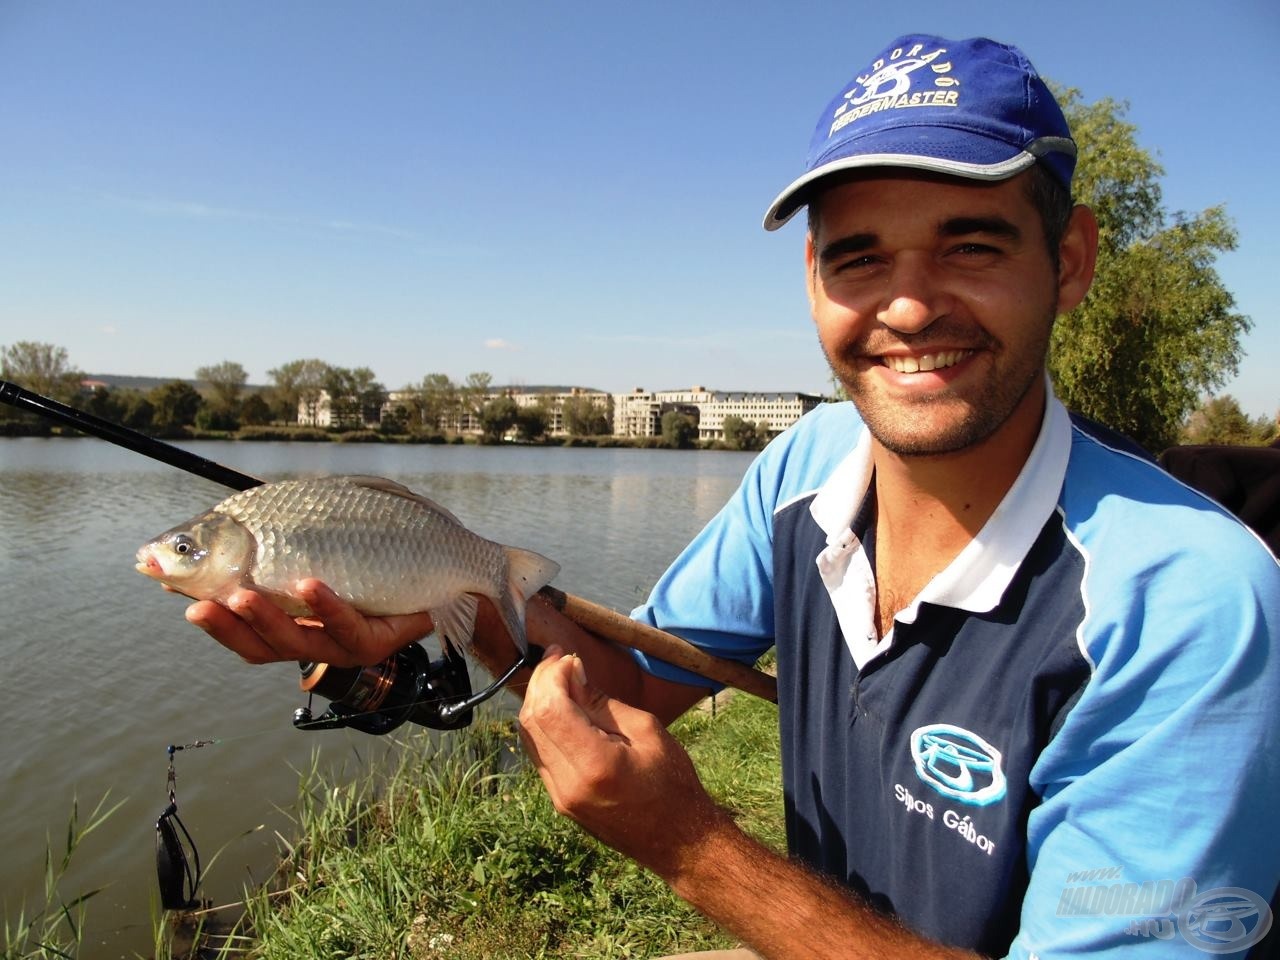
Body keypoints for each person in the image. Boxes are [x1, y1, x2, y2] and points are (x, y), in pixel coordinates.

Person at [187, 34, 1280, 959]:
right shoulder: (804, 467)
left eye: (971, 243)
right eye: (857, 259)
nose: (905, 305)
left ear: (1070, 260)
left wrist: (692, 848)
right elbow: (618, 681)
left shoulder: (1191, 603)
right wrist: (448, 604)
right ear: (812, 282)